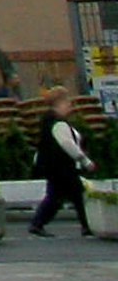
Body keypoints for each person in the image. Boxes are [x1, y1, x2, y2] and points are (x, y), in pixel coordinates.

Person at [28, 90, 92, 234]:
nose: (70, 106)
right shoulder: (57, 123)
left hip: (55, 166)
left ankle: (86, 225)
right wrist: (84, 160)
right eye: (67, 103)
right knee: (72, 196)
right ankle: (37, 224)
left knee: (67, 196)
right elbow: (67, 144)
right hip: (61, 167)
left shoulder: (49, 121)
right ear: (59, 103)